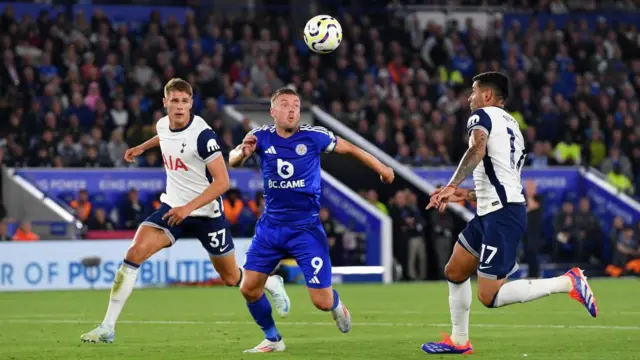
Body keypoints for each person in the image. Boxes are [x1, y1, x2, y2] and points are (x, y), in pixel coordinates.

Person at [80, 78, 290, 344]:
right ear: (165, 102)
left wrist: (187, 208)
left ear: (191, 103)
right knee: (133, 254)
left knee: (230, 277)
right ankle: (107, 327)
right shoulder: (162, 124)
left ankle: (270, 283)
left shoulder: (203, 135)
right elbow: (165, 136)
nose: (179, 107)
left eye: (184, 101)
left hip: (206, 214)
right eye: (174, 101)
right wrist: (142, 148)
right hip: (172, 208)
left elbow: (223, 182)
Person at [422, 72, 598, 355]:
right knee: (455, 270)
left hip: (502, 216)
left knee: (488, 296)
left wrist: (452, 184)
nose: (469, 97)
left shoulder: (481, 116)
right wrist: (463, 194)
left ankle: (568, 282)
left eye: (473, 91)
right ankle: (459, 341)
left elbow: (477, 150)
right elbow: (500, 180)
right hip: (493, 211)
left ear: (487, 96)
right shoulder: (512, 125)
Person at [229, 87, 394, 353]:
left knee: (321, 300)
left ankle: (336, 305)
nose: (292, 109)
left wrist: (382, 167)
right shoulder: (259, 137)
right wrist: (242, 152)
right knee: (248, 289)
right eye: (285, 104)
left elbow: (349, 147)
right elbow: (233, 159)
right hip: (271, 227)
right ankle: (273, 339)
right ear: (273, 112)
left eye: (296, 105)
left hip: (305, 229)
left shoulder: (314, 136)